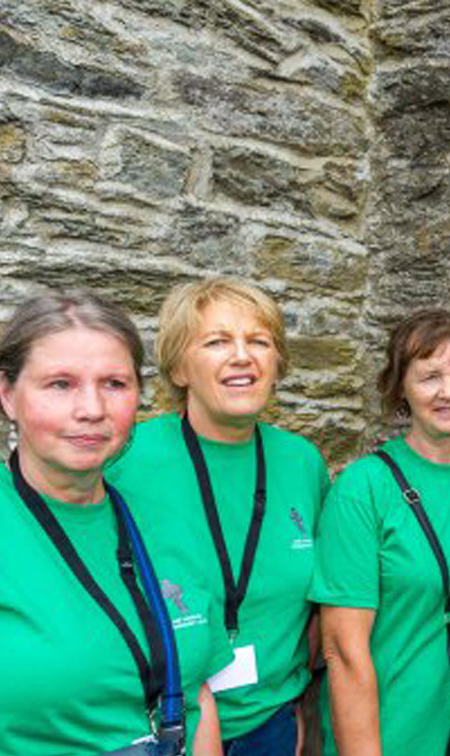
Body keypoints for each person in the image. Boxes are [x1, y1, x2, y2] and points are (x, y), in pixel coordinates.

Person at [0, 292, 230, 755]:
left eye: (114, 383)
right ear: (8, 393)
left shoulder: (166, 520)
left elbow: (197, 693)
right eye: (60, 384)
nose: (92, 408)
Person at [109, 278, 330, 755]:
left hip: (274, 720)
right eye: (216, 342)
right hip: (157, 724)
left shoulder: (302, 462)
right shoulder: (124, 460)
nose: (242, 356)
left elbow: (320, 600)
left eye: (259, 342)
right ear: (179, 366)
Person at [311, 310, 450, 755]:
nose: (448, 392)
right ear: (401, 385)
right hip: (394, 730)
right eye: (429, 377)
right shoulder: (363, 488)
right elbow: (343, 652)